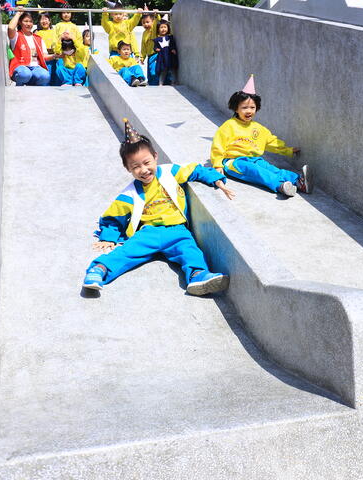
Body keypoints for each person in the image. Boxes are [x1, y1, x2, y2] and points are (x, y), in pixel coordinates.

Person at [83, 120, 235, 295]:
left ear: (155, 156)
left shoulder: (171, 172)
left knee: (190, 251)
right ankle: (99, 270)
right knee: (126, 253)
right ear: (128, 169)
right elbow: (113, 217)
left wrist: (216, 179)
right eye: (136, 167)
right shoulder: (130, 193)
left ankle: (197, 276)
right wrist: (108, 237)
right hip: (148, 233)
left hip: (177, 231)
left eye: (147, 162)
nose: (144, 170)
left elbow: (195, 170)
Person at [211, 75, 313, 196]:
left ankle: (299, 181)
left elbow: (272, 143)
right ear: (236, 109)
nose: (249, 111)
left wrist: (288, 150)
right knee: (257, 172)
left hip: (255, 159)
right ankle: (280, 186)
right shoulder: (228, 126)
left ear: (257, 108)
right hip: (233, 162)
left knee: (271, 169)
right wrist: (217, 165)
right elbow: (218, 145)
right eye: (244, 107)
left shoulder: (259, 129)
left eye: (252, 107)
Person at [7, 7, 58, 86]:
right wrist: (18, 13)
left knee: (45, 76)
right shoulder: (16, 35)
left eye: (30, 21)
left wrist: (55, 56)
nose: (28, 24)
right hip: (21, 67)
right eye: (26, 21)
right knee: (25, 74)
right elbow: (10, 28)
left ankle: (32, 89)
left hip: (35, 68)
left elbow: (44, 56)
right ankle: (19, 87)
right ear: (20, 22)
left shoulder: (38, 38)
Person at [34, 13, 61, 86]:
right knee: (47, 74)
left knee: (56, 75)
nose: (44, 21)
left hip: (55, 57)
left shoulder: (55, 31)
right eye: (42, 19)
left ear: (49, 21)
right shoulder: (37, 33)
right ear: (39, 22)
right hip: (44, 58)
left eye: (46, 19)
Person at [153, 19, 178, 86]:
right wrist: (156, 49)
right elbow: (155, 47)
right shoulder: (157, 39)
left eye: (165, 27)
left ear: (168, 28)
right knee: (163, 70)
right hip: (162, 57)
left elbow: (172, 44)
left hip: (170, 56)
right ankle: (160, 83)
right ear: (158, 29)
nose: (163, 29)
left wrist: (173, 49)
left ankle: (174, 82)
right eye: (161, 27)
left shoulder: (170, 37)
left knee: (172, 69)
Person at [139, 8, 160, 84]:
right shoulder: (144, 33)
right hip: (149, 56)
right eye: (143, 23)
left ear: (152, 22)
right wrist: (142, 57)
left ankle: (155, 84)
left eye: (148, 22)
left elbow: (157, 23)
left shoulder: (153, 30)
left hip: (156, 54)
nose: (146, 24)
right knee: (149, 73)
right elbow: (143, 46)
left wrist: (156, 14)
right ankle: (151, 84)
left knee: (153, 71)